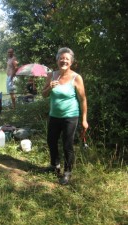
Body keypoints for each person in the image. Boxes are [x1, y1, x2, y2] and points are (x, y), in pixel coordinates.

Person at [42, 47, 88, 185]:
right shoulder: (52, 75)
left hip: (70, 116)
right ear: (57, 60)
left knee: (67, 145)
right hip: (54, 116)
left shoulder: (76, 77)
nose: (64, 61)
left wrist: (84, 119)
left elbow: (83, 99)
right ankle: (54, 166)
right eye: (61, 58)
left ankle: (67, 172)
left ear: (71, 62)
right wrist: (49, 87)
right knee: (51, 141)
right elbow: (43, 94)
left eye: (67, 59)